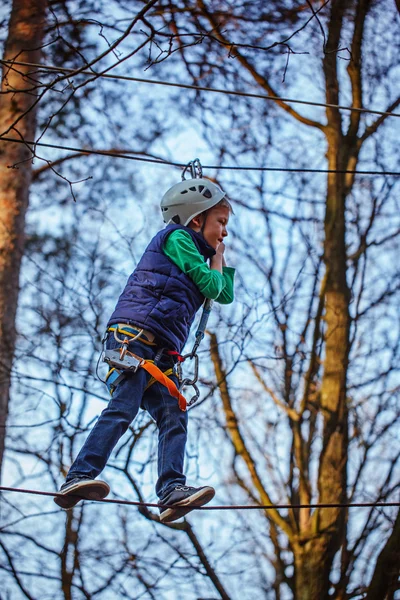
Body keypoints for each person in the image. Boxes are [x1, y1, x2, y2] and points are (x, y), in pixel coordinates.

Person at [54, 176, 235, 522]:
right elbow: (214, 286)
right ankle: (78, 475)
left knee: (173, 414)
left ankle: (171, 491)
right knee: (124, 405)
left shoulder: (195, 249)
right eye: (220, 223)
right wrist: (217, 259)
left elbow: (224, 294)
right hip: (134, 338)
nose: (223, 233)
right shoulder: (178, 238)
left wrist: (217, 257)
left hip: (161, 351)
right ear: (196, 219)